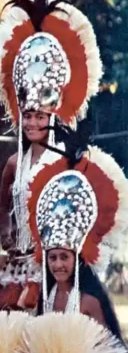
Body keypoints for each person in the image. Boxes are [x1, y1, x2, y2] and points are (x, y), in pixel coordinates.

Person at [0, 0, 101, 312]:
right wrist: (8, 238)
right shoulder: (14, 162)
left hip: (52, 265)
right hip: (16, 265)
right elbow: (2, 206)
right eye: (28, 117)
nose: (34, 123)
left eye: (40, 116)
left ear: (53, 115)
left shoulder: (66, 163)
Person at [28, 129, 128, 337]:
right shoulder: (46, 296)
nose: (57, 265)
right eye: (52, 258)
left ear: (78, 258)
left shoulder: (88, 301)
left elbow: (106, 352)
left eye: (64, 257)